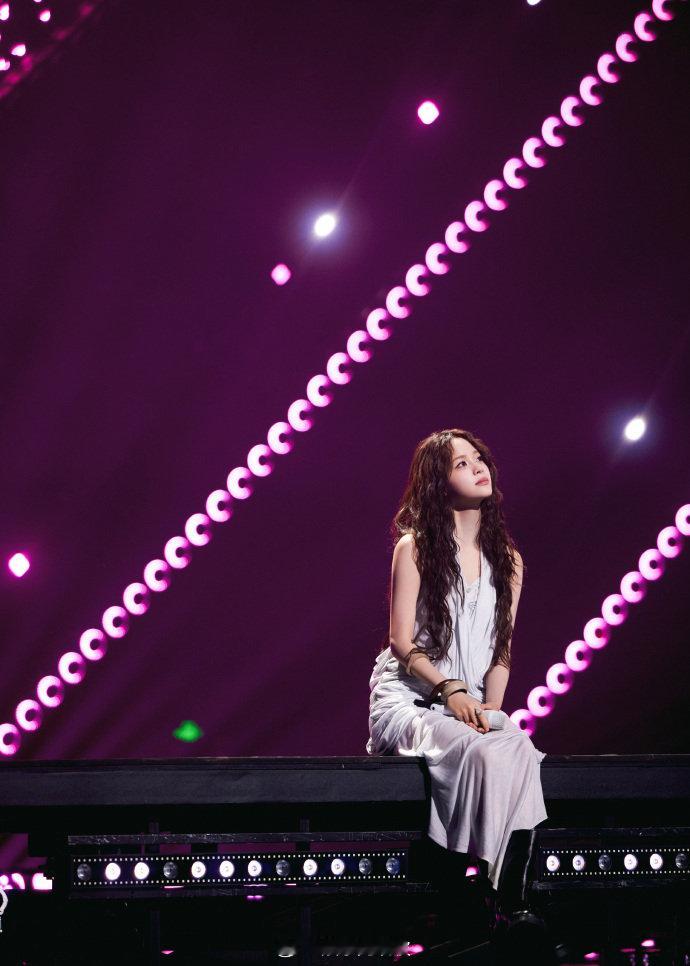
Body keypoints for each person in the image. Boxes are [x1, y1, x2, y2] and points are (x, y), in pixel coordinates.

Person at [366, 428, 548, 894]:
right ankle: (489, 890)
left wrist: (491, 709)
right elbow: (400, 641)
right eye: (461, 463)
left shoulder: (509, 562)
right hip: (413, 700)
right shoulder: (415, 547)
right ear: (438, 483)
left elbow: (501, 649)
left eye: (478, 458)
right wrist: (451, 690)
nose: (477, 467)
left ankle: (509, 894)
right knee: (484, 750)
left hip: (469, 704)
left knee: (519, 746)